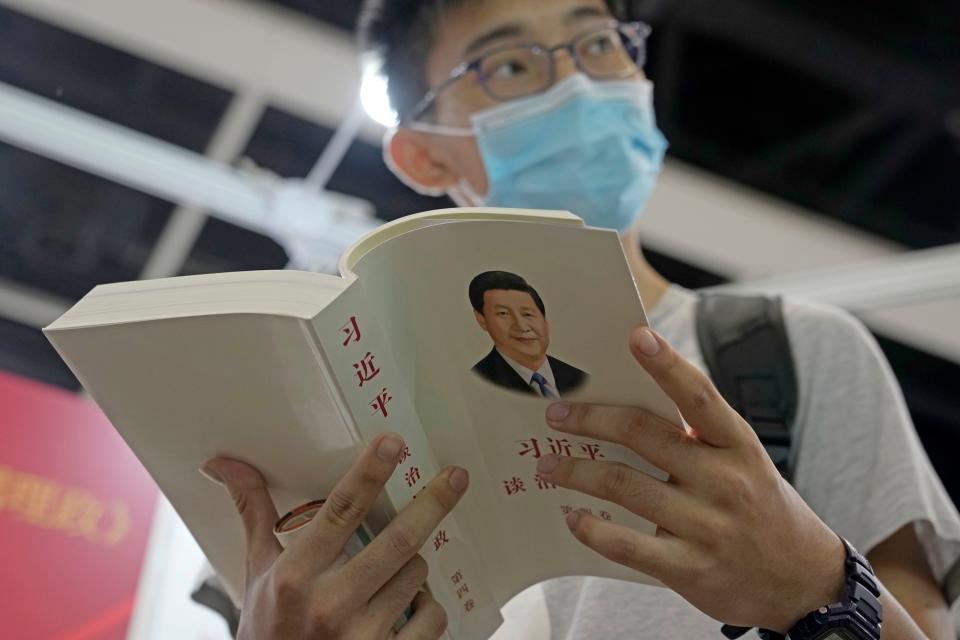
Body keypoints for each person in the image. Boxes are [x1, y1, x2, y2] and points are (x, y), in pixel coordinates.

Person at [200, 0, 960, 638]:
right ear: (425, 155)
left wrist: (816, 583)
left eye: (598, 44)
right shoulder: (339, 409)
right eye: (513, 66)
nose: (577, 85)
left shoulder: (790, 353)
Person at [469, 270, 588, 397]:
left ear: (545, 322)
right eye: (503, 313)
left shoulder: (579, 378)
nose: (522, 326)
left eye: (527, 314)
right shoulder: (478, 382)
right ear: (482, 320)